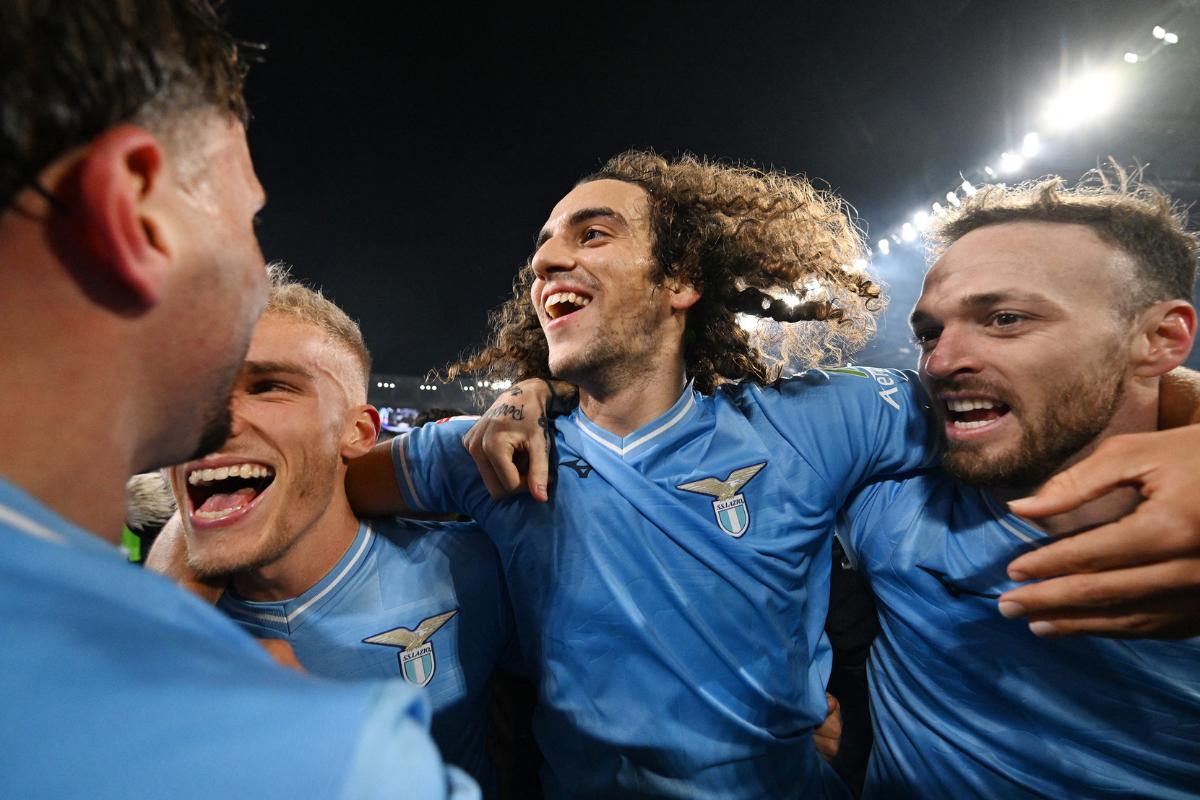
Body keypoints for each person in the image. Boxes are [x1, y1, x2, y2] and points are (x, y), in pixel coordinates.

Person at [348, 151, 1200, 799]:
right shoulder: (482, 455)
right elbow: (342, 485)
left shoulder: (821, 424)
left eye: (592, 233)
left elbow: (1079, 395)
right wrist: (520, 395)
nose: (946, 361)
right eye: (931, 334)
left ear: (682, 280)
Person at [0, 3, 474, 797]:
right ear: (137, 210)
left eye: (275, 385)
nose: (258, 275)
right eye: (248, 217)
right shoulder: (330, 756)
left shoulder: (470, 564)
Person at [836, 174, 1200, 798]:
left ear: (1159, 340)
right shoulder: (888, 499)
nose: (942, 361)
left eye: (1004, 319)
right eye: (929, 332)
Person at [152, 268, 514, 795]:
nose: (207, 421)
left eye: (269, 387)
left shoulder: (472, 571)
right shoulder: (121, 637)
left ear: (358, 432)